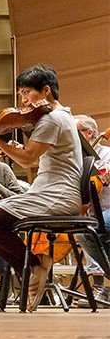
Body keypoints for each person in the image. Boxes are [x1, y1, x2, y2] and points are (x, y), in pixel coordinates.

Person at [0, 64, 83, 311]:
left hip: (58, 195)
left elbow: (26, 160)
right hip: (48, 191)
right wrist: (19, 147)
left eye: (26, 92)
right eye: (20, 94)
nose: (22, 100)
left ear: (46, 91)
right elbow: (38, 155)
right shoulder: (62, 116)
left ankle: (33, 266)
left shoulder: (52, 119)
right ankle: (32, 268)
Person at [74, 115, 110, 303]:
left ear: (89, 134)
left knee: (90, 229)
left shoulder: (108, 154)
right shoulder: (76, 159)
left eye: (75, 131)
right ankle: (100, 287)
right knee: (84, 229)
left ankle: (101, 287)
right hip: (91, 212)